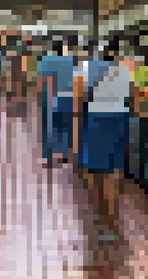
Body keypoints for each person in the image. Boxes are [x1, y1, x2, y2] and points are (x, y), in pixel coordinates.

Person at [78, 41, 131, 239]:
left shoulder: (90, 69)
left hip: (97, 121)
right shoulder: (123, 71)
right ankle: (112, 220)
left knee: (96, 172)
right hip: (119, 120)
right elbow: (130, 98)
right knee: (113, 173)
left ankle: (102, 220)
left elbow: (81, 97)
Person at [35, 38, 76, 167]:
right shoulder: (70, 61)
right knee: (65, 128)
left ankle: (48, 156)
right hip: (69, 97)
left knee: (49, 127)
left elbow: (40, 81)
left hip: (52, 97)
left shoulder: (46, 60)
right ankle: (64, 155)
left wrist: (41, 94)